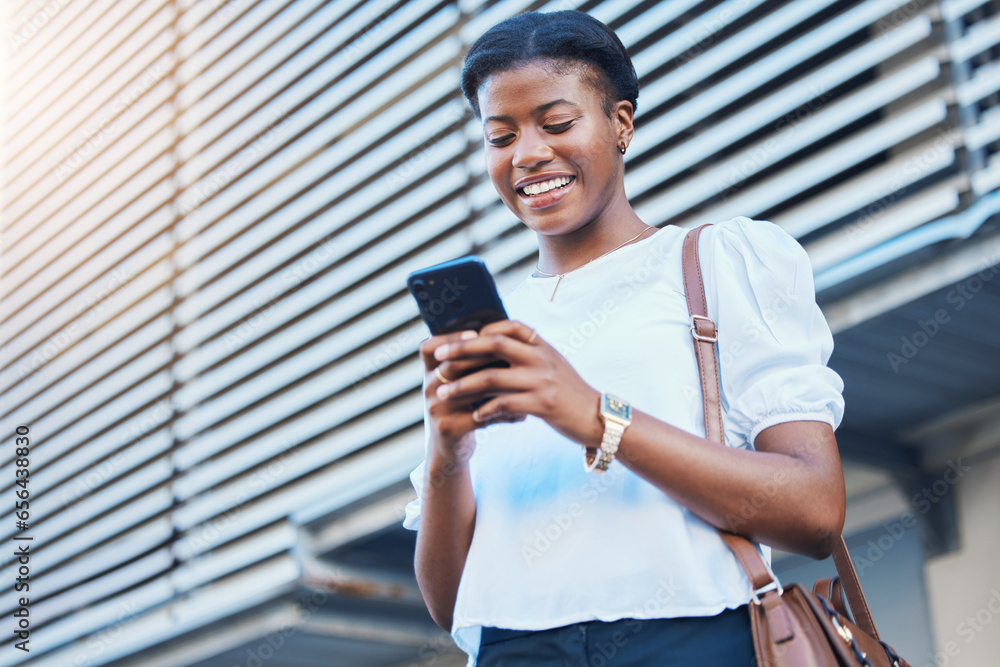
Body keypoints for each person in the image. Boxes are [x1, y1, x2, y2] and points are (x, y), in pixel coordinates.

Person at [402, 10, 846, 666]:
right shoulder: (498, 324)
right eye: (501, 136)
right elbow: (450, 604)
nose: (526, 154)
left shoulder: (716, 262)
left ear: (621, 124)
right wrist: (448, 453)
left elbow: (813, 509)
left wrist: (594, 415)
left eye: (556, 123)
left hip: (690, 642)